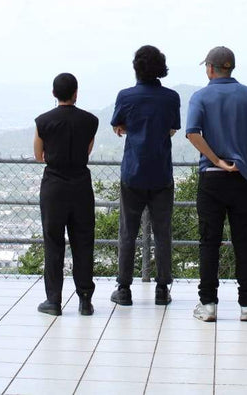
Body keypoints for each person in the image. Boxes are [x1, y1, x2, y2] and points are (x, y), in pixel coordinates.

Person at [185, 46, 247, 322]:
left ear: (211, 68)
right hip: (242, 181)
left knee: (209, 242)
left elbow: (192, 132)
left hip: (212, 179)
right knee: (243, 243)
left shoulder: (200, 97)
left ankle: (208, 305)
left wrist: (216, 159)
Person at [110, 45, 181, 307]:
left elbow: (118, 124)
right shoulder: (171, 98)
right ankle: (162, 289)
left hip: (133, 172)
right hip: (162, 172)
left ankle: (124, 289)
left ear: (136, 68)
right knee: (163, 232)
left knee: (128, 232)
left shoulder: (125, 96)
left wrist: (130, 128)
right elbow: (172, 128)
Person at [33, 73, 99, 316]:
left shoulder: (43, 122)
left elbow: (38, 156)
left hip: (53, 186)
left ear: (53, 94)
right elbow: (88, 150)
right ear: (76, 93)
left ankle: (53, 300)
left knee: (53, 243)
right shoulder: (90, 121)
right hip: (81, 184)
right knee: (83, 242)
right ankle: (84, 300)